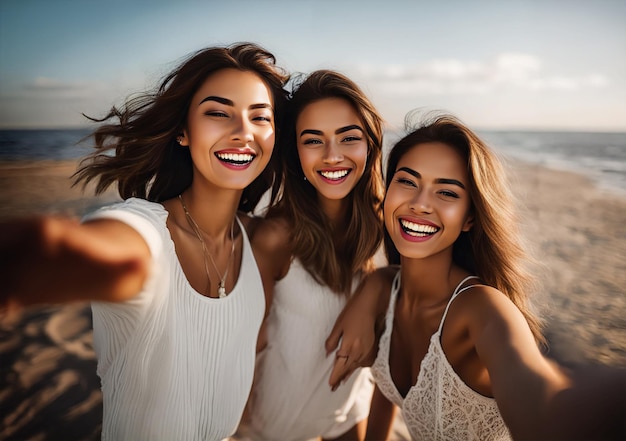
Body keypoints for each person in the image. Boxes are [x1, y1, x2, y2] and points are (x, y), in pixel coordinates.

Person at [0, 42, 289, 441]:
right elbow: (106, 251)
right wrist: (39, 254)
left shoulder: (260, 242)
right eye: (218, 113)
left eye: (260, 117)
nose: (243, 133)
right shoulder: (147, 230)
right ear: (183, 132)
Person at [326, 113, 626, 441]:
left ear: (470, 218)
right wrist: (372, 286)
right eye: (408, 181)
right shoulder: (386, 292)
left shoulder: (483, 309)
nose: (420, 204)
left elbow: (538, 401)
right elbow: (387, 393)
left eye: (447, 193)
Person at [233, 70, 385, 441]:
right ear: (295, 152)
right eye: (314, 140)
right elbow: (247, 345)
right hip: (271, 428)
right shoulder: (277, 237)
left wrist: (379, 283)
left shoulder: (388, 226)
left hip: (347, 414)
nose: (333, 156)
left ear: (370, 144)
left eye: (349, 138)